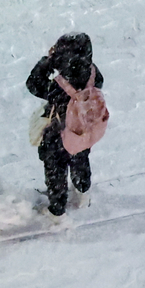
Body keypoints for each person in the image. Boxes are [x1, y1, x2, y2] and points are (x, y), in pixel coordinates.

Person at [26, 32, 103, 216]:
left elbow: (33, 84)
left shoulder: (59, 87)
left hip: (58, 134)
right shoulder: (92, 73)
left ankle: (57, 208)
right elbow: (99, 82)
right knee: (81, 160)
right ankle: (82, 191)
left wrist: (49, 61)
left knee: (56, 169)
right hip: (82, 130)